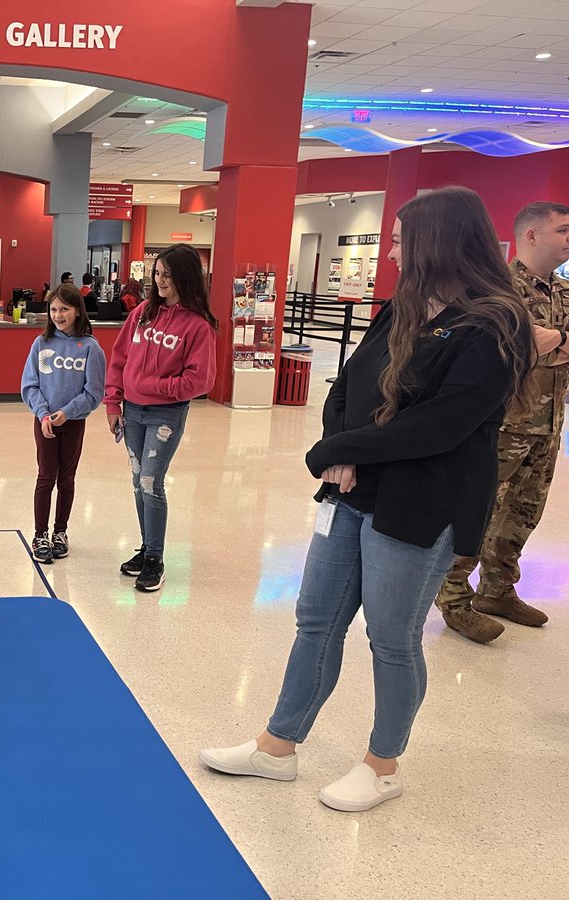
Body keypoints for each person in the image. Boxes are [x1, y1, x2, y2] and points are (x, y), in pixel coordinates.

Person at [200, 187, 535, 812]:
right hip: (353, 490)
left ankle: (383, 765)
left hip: (423, 501)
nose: (391, 252)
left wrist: (342, 452)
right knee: (316, 620)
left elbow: (439, 426)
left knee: (392, 637)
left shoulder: (494, 324)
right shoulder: (403, 305)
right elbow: (346, 384)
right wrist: (340, 448)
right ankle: (278, 746)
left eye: (403, 239)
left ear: (439, 241)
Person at [435, 201, 569, 642]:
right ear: (531, 235)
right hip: (501, 423)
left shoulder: (564, 293)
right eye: (563, 230)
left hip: (548, 424)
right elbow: (515, 346)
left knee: (524, 511)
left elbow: (547, 345)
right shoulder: (498, 290)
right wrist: (542, 345)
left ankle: (498, 589)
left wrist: (553, 343)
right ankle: (452, 596)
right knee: (479, 508)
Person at [104, 245, 217, 591]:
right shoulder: (142, 313)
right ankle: (146, 547)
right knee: (138, 481)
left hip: (166, 414)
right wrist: (113, 403)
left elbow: (201, 380)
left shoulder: (198, 326)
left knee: (152, 482)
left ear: (185, 277)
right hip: (132, 412)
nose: (160, 280)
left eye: (168, 275)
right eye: (157, 273)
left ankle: (155, 558)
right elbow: (119, 359)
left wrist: (152, 386)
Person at [20, 284, 105, 563]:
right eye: (53, 309)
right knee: (46, 477)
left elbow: (94, 393)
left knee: (66, 479)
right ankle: (40, 534)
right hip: (44, 422)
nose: (58, 315)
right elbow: (30, 385)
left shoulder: (91, 348)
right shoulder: (41, 344)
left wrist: (68, 412)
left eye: (64, 309)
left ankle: (60, 532)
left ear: (77, 311)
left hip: (73, 422)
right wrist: (43, 413)